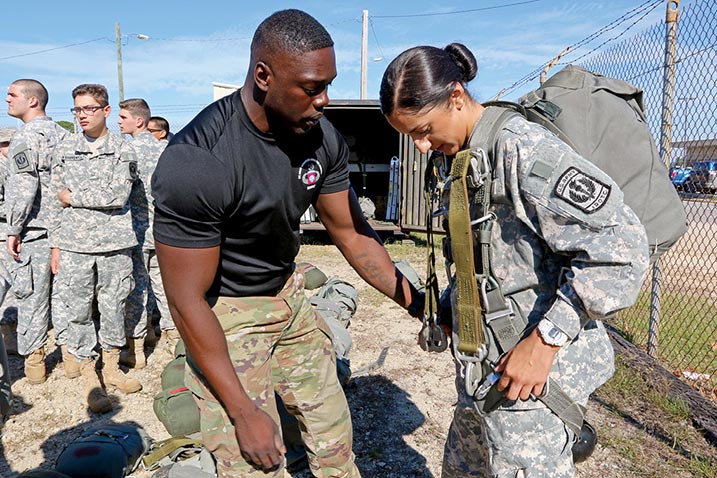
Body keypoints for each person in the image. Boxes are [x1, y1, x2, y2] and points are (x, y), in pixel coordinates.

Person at [152, 9, 423, 477]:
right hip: (226, 314)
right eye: (312, 87)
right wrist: (242, 411)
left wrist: (419, 303)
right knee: (254, 459)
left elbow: (353, 236)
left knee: (334, 438)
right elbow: (185, 299)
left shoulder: (321, 139)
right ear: (263, 75)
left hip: (288, 296)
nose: (324, 100)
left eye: (327, 85)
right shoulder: (198, 161)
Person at [379, 44, 649, 477]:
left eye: (425, 130)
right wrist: (452, 308)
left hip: (532, 377)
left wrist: (545, 343)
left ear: (455, 95)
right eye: (412, 136)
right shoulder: (464, 157)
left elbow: (622, 248)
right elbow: (488, 256)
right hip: (483, 371)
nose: (423, 146)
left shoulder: (521, 149)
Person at [50, 84, 142, 413]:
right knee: (77, 309)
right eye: (77, 109)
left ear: (105, 111)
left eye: (89, 109)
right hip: (74, 244)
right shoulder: (65, 147)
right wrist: (55, 243)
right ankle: (90, 371)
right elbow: (53, 199)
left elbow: (117, 196)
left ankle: (114, 366)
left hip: (114, 243)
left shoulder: (122, 149)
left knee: (114, 305)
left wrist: (73, 197)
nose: (82, 115)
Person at [4, 79, 68, 384]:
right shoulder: (66, 135)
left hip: (37, 231)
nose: (6, 99)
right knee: (67, 297)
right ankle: (73, 359)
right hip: (68, 230)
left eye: (12, 94)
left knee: (31, 296)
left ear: (32, 101)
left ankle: (35, 363)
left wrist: (13, 228)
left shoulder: (25, 137)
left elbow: (24, 188)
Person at [117, 99, 175, 369]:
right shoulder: (168, 148)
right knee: (165, 285)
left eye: (123, 117)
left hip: (137, 231)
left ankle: (136, 348)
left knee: (136, 290)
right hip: (165, 229)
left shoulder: (125, 149)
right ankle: (174, 339)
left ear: (139, 121)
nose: (118, 121)